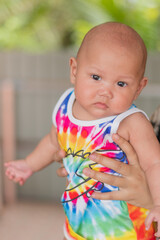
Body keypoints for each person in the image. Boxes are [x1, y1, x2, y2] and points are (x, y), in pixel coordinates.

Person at [4, 22, 160, 239]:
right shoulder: (65, 105)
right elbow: (52, 143)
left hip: (126, 230)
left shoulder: (131, 123)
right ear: (74, 70)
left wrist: (158, 203)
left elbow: (154, 163)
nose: (105, 92)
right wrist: (29, 164)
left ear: (139, 88)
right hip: (78, 226)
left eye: (121, 84)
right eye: (96, 77)